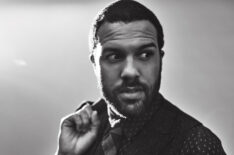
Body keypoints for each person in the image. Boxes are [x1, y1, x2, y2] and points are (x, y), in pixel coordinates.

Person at [55, 0, 226, 154]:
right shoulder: (84, 127)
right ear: (95, 64)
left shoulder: (197, 144)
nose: (130, 72)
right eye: (115, 56)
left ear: (160, 59)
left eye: (145, 55)